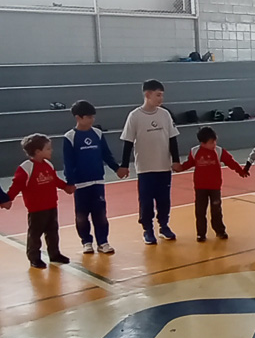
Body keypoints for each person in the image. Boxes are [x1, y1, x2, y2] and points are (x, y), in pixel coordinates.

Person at [119, 79, 182, 245]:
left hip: (163, 166)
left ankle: (164, 226)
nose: (161, 99)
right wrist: (124, 165)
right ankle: (147, 229)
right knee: (146, 201)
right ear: (147, 94)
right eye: (158, 95)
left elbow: (172, 139)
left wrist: (176, 160)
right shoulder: (135, 116)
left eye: (162, 95)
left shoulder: (165, 114)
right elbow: (127, 142)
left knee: (164, 200)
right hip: (145, 168)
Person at [63, 100, 126, 254]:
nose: (92, 119)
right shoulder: (70, 137)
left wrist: (116, 168)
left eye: (93, 116)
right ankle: (86, 242)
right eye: (89, 117)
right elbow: (68, 162)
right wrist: (70, 182)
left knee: (100, 214)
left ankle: (103, 242)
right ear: (78, 117)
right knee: (81, 215)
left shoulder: (97, 133)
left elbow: (106, 154)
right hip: (80, 184)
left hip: (97, 181)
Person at [6, 134, 75, 268]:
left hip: (51, 205)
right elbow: (16, 186)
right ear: (38, 151)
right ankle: (34, 258)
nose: (51, 151)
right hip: (36, 209)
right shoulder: (26, 168)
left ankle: (54, 254)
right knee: (35, 234)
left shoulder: (48, 164)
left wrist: (65, 187)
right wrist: (8, 199)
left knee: (53, 232)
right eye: (48, 149)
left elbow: (54, 180)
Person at [181, 126, 246, 242]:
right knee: (200, 211)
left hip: (215, 187)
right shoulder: (195, 151)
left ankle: (220, 230)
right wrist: (180, 168)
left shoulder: (219, 151)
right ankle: (201, 233)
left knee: (216, 210)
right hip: (200, 187)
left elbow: (230, 161)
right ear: (203, 143)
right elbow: (189, 163)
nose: (214, 144)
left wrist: (240, 171)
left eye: (215, 141)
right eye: (211, 142)